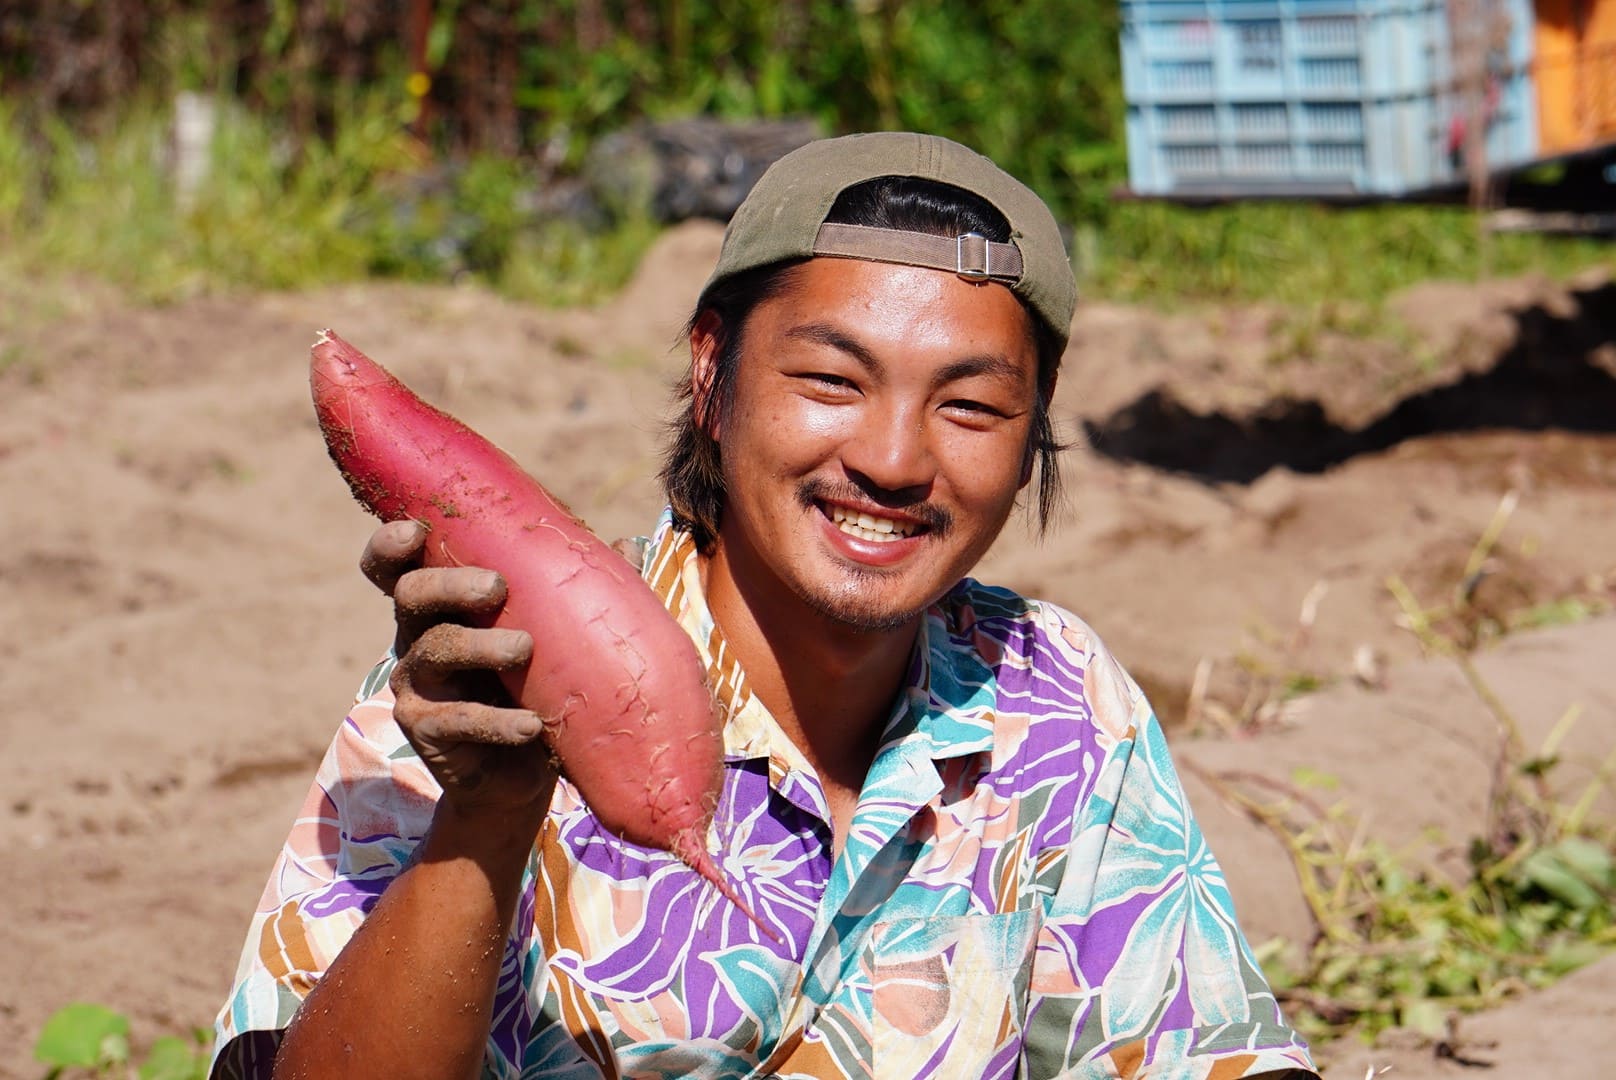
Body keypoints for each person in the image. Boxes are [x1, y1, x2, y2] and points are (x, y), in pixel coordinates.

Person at [211, 132, 1319, 1079]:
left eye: (972, 406)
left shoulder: (1052, 695)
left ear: (1033, 435)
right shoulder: (486, 685)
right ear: (710, 374)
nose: (891, 460)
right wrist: (486, 822)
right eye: (830, 382)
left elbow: (1199, 1046)